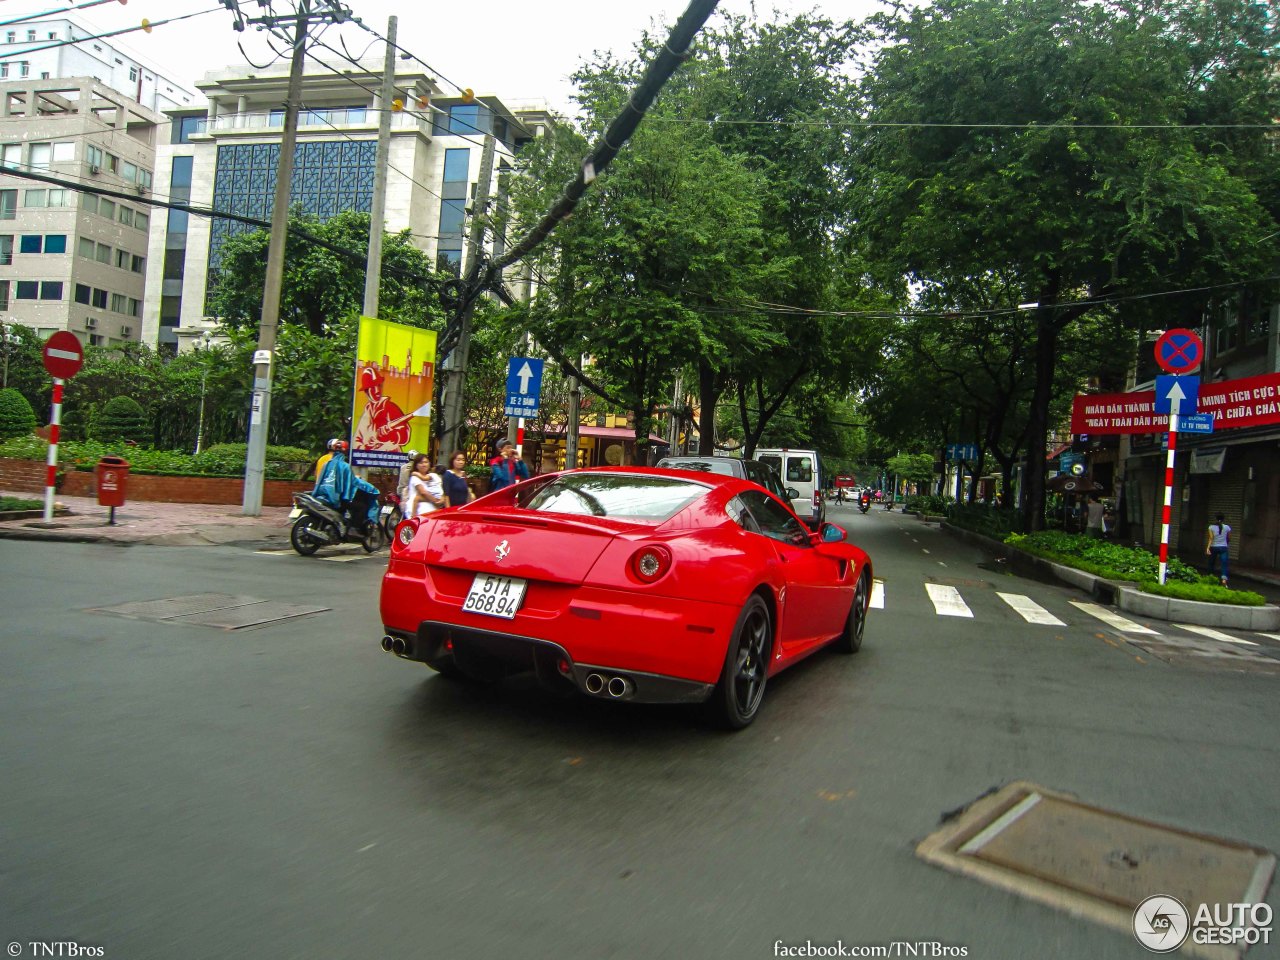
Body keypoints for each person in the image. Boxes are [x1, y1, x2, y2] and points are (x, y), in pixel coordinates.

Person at [311, 440, 380, 531]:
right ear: (345, 452)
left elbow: (319, 479)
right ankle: (354, 529)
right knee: (361, 507)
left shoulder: (326, 464)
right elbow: (351, 483)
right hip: (336, 498)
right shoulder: (345, 466)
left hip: (323, 495)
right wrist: (369, 488)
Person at [352, 366, 411, 452]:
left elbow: (406, 434)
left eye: (379, 386)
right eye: (372, 387)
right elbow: (356, 441)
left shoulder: (390, 407)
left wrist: (391, 436)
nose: (377, 391)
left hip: (391, 460)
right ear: (366, 391)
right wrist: (366, 447)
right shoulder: (367, 412)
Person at [404, 453, 446, 518]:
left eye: (426, 462)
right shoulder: (415, 478)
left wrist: (442, 498)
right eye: (421, 463)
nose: (424, 465)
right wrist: (436, 501)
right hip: (419, 509)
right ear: (416, 465)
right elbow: (423, 492)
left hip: (431, 509)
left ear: (429, 464)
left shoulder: (432, 476)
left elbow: (439, 488)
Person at [1205, 513, 1232, 587]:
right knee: (1224, 564)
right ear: (1223, 519)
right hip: (1224, 547)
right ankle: (1224, 580)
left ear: (1216, 519)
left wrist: (1208, 548)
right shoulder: (1227, 527)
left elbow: (1211, 538)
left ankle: (1210, 579)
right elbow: (1229, 538)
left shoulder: (1211, 527)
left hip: (1213, 547)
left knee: (1211, 563)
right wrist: (1226, 543)